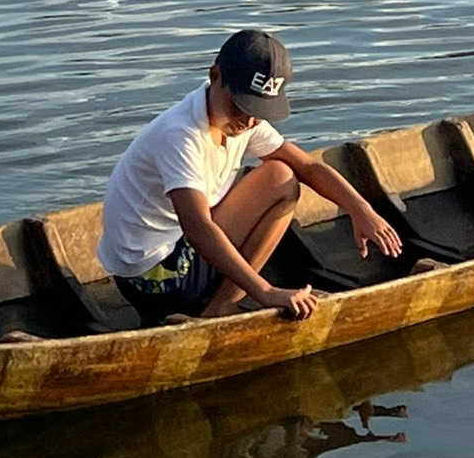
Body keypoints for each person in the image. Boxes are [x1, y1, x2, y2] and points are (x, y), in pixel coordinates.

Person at [96, 30, 403, 324]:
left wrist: (361, 211)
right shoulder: (181, 135)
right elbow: (198, 228)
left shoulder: (238, 119)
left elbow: (308, 166)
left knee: (282, 173)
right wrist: (265, 292)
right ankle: (221, 307)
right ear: (215, 76)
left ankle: (217, 302)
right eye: (241, 106)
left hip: (168, 257)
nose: (249, 120)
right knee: (281, 181)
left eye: (259, 109)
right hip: (154, 280)